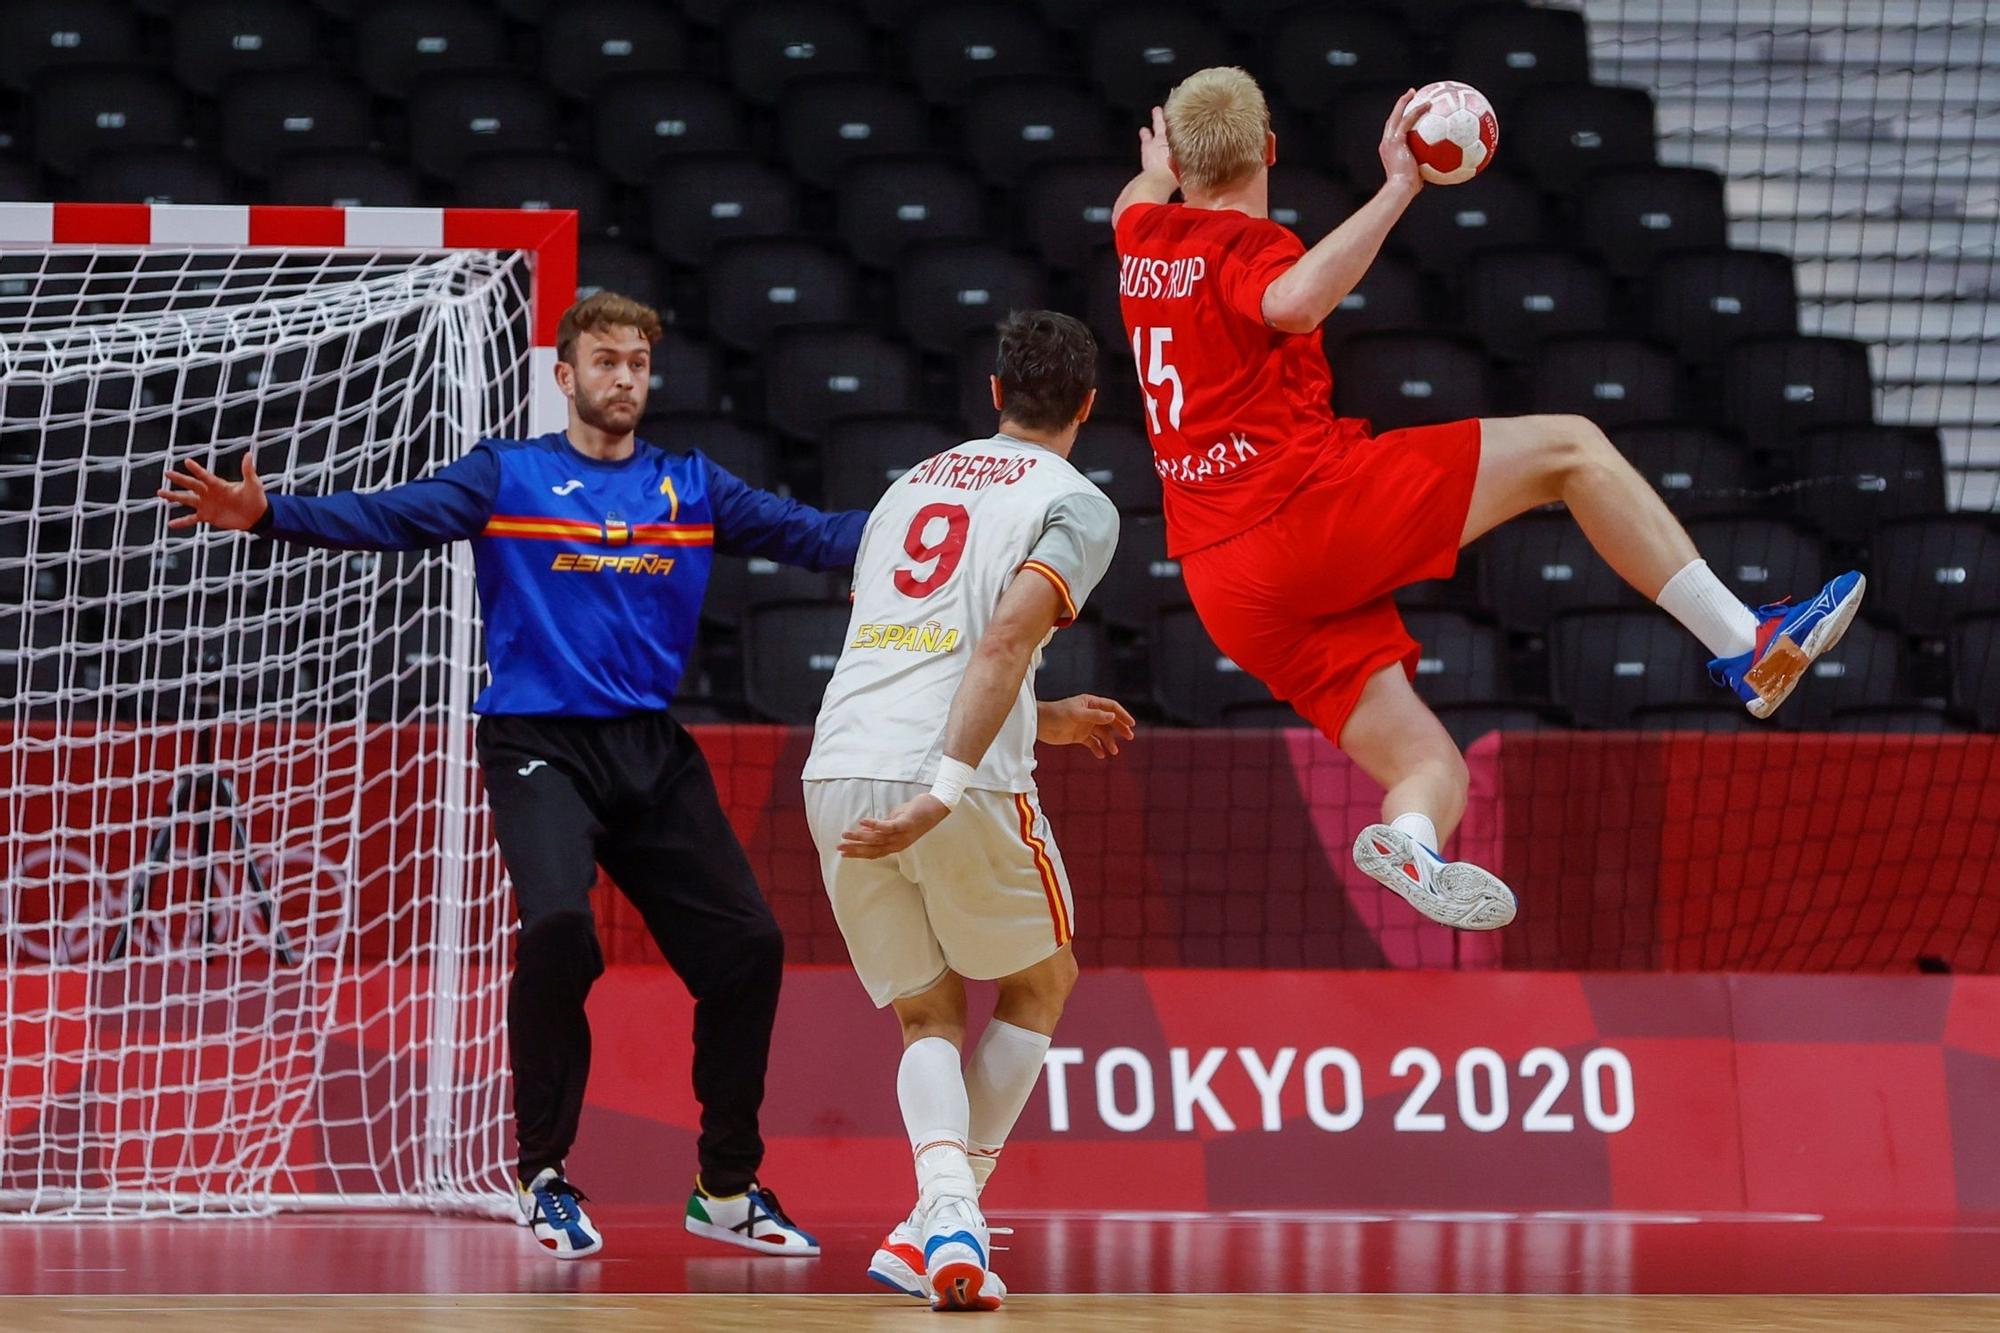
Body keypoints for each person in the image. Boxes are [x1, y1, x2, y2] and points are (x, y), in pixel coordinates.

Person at [157, 291, 842, 1260]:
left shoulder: (692, 486)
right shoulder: (507, 475)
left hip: (649, 747)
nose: (623, 379)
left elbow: (812, 536)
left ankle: (725, 1187)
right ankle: (545, 1173)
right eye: (605, 361)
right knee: (560, 926)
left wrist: (931, 532)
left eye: (638, 363)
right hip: (536, 743)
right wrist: (271, 516)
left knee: (750, 946)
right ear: (564, 377)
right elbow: (392, 518)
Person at [1110, 68, 1865, 931]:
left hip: (1224, 582)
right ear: (1271, 149)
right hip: (1302, 513)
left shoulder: (1141, 233)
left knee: (1432, 762)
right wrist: (1400, 184)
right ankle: (1745, 642)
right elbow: (1292, 302)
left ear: (1176, 161)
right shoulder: (1251, 250)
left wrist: (1163, 170)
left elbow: (1139, 188)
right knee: (1573, 447)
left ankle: (1413, 840)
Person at [801, 310, 1132, 1311]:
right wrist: (941, 792)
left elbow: (910, 640)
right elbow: (991, 647)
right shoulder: (1075, 504)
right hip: (959, 778)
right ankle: (951, 1210)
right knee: (1042, 981)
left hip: (837, 760)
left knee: (925, 1009)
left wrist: (1047, 713)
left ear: (993, 394)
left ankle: (928, 1226)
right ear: (1086, 405)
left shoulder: (908, 486)